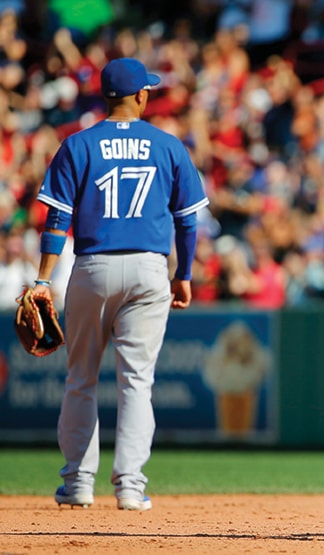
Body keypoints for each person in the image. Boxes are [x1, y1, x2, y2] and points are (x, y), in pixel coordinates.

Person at [34, 58, 209, 511]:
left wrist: (41, 278)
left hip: (93, 267)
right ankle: (130, 486)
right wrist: (183, 273)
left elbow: (57, 220)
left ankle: (77, 484)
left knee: (80, 379)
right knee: (137, 382)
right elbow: (188, 221)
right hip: (150, 270)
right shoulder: (168, 145)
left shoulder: (78, 144)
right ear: (142, 96)